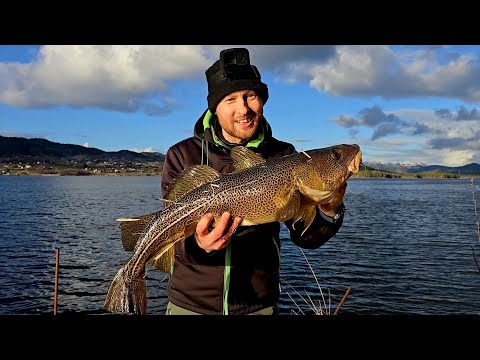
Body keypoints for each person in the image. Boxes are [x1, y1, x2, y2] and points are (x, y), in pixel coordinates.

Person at [161, 47, 347, 315]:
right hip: (190, 305)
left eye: (251, 96)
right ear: (214, 108)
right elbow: (172, 233)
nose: (243, 109)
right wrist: (199, 245)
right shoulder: (182, 154)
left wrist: (328, 211)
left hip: (257, 306)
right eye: (231, 100)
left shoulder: (283, 155)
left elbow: (306, 238)